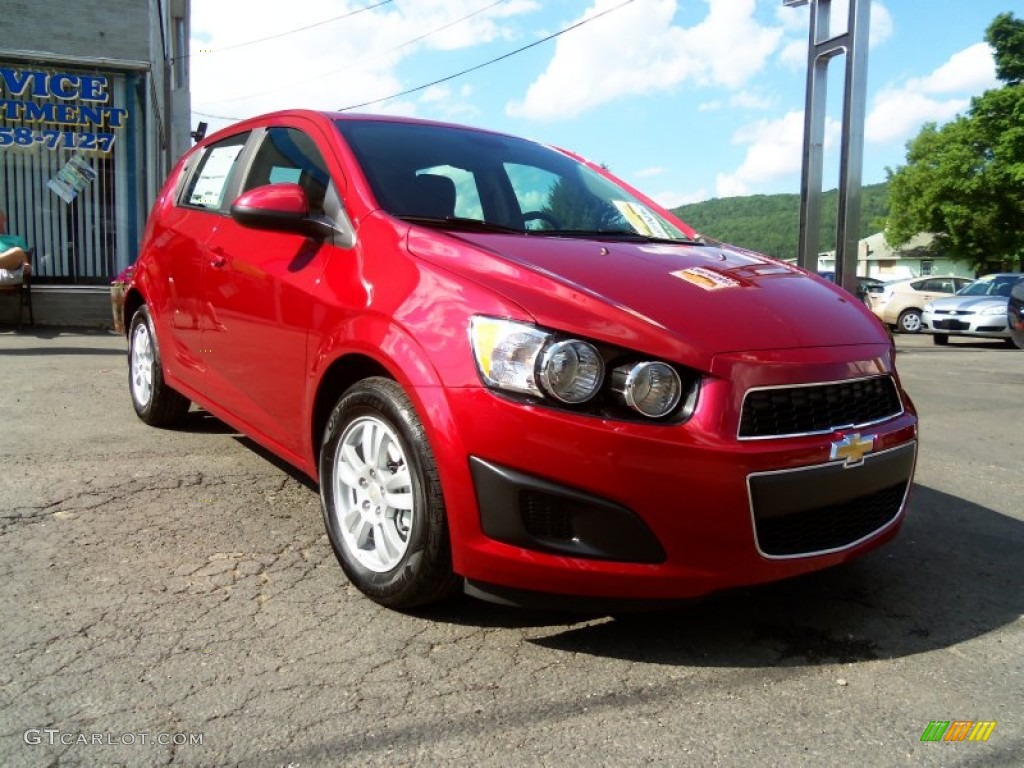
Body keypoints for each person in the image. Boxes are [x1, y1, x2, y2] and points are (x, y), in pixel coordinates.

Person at [0, 208, 30, 285]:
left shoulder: (17, 239)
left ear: (3, 219)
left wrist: (26, 266)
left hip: (9, 273)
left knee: (18, 251)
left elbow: (25, 263)